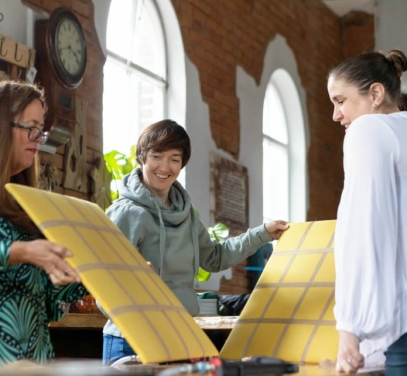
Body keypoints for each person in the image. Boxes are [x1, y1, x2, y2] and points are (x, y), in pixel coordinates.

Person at [102, 119, 289, 364]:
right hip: (132, 337)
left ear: (182, 164)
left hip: (179, 334)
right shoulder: (126, 212)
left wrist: (263, 233)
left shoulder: (185, 213)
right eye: (157, 156)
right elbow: (103, 282)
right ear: (142, 157)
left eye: (174, 159)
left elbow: (214, 257)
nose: (164, 167)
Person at [328, 49, 407, 375]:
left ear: (375, 93)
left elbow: (363, 229)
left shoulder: (369, 129)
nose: (336, 115)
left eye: (340, 101)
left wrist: (350, 331)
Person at [0, 80, 87, 366]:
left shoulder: (23, 197)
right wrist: (21, 252)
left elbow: (45, 296)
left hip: (33, 359)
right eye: (31, 127)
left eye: (40, 131)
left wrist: (101, 275)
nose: (37, 138)